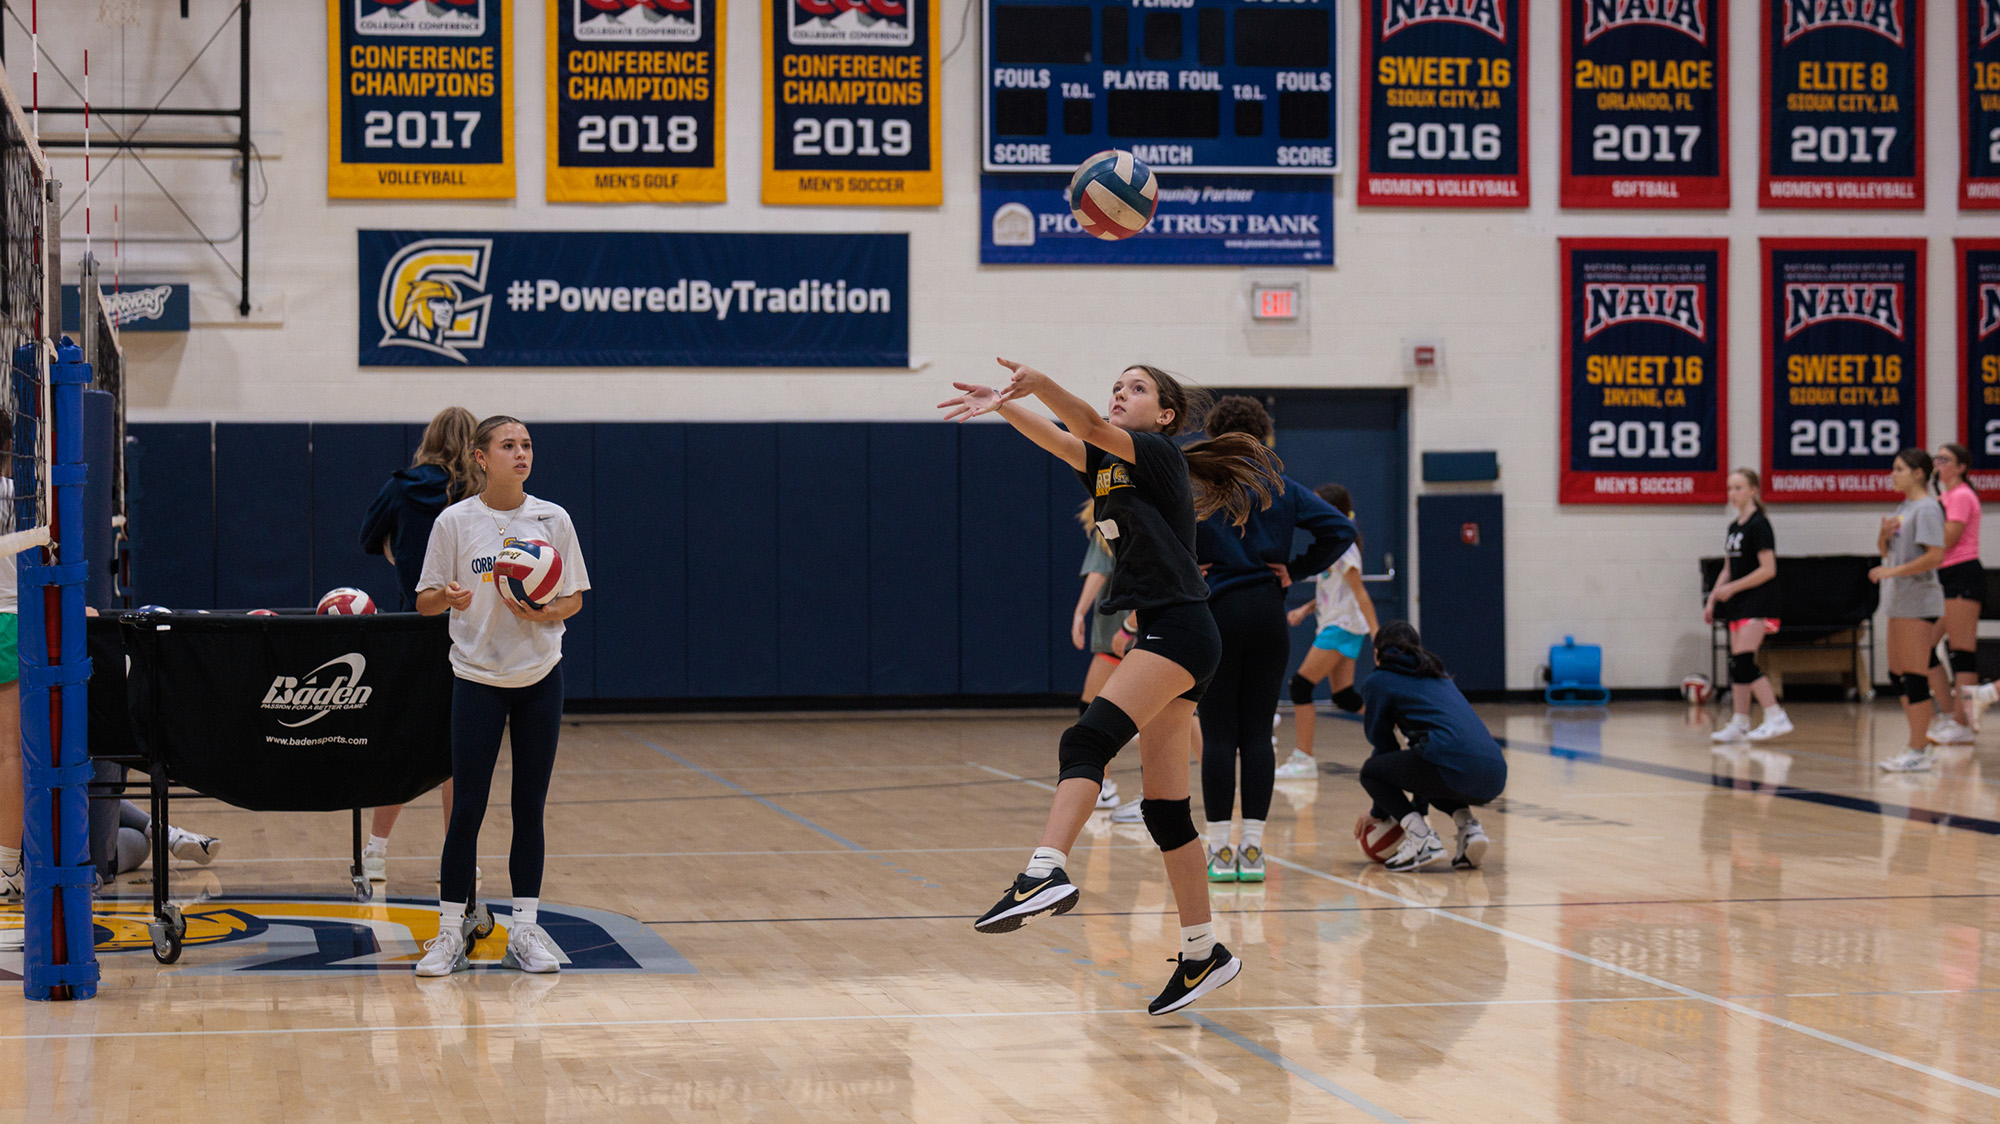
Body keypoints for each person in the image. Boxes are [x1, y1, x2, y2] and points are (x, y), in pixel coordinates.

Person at [939, 358, 1281, 1015]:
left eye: (1137, 387)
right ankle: (1203, 951)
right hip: (1174, 631)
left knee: (1087, 737)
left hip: (1180, 631)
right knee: (1163, 810)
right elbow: (1065, 439)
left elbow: (1086, 423)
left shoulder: (1155, 454)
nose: (1120, 394)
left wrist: (1039, 384)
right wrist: (1004, 405)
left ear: (1166, 415)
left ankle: (1042, 871)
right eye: (1117, 385)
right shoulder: (1113, 469)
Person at [413, 416, 591, 976]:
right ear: (481, 457)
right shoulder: (455, 521)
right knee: (466, 808)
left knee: (528, 808)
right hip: (476, 678)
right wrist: (449, 596)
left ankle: (527, 930)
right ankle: (448, 933)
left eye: (527, 445)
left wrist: (544, 610)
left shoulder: (552, 518)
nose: (521, 453)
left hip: (540, 675)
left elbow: (574, 600)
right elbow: (423, 601)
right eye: (509, 445)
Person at [1193, 398, 1353, 884]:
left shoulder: (1198, 485)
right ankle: (1255, 851)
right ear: (1265, 437)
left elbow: (1160, 533)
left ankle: (1220, 851)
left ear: (1216, 434)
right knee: (1257, 734)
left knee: (1219, 735)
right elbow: (1340, 529)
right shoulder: (1281, 488)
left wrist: (1190, 564)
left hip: (1216, 611)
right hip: (1266, 612)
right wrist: (1295, 570)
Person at [356, 405, 480, 881]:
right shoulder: (481, 495)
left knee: (402, 740)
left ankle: (375, 851)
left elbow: (369, 536)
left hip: (415, 624)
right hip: (469, 628)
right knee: (459, 749)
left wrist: (400, 552)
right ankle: (460, 856)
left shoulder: (403, 485)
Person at [1357, 622, 1506, 872]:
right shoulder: (1438, 673)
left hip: (1450, 764)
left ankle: (1421, 838)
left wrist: (1380, 811)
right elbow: (1426, 758)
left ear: (1376, 653)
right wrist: (1418, 807)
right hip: (1495, 774)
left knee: (1371, 771)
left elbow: (1384, 746)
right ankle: (1470, 828)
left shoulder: (1379, 681)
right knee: (1438, 769)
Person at [1279, 483, 1378, 779]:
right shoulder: (1333, 544)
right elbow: (1334, 590)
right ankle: (1402, 726)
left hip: (1343, 626)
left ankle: (1303, 759)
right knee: (1345, 697)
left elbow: (1359, 592)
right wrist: (1306, 609)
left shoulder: (1345, 547)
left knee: (1300, 686)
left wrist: (1378, 636)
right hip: (1338, 624)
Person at [1873, 449, 1948, 773]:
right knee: (1896, 674)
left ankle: (1918, 749)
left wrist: (1892, 572)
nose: (1893, 474)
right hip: (1900, 601)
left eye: (1899, 469)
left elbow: (1935, 557)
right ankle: (1920, 740)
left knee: (1915, 674)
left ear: (1919, 473)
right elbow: (1888, 553)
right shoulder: (1905, 507)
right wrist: (1883, 536)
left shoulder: (1928, 509)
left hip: (1919, 600)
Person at [1704, 468, 1789, 743]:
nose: (1733, 494)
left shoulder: (1759, 525)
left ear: (1753, 490)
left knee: (1744, 660)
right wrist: (1714, 596)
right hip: (1739, 604)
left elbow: (1768, 569)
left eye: (1738, 487)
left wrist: (1733, 588)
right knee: (1737, 665)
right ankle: (1740, 722)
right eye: (1729, 488)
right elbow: (1728, 568)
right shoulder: (1734, 528)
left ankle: (1776, 715)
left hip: (1759, 602)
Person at [1923, 443, 1981, 742]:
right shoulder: (1942, 497)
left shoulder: (1960, 495)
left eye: (1945, 459)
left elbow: (1950, 537)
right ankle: (1950, 715)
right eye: (1937, 459)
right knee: (1924, 648)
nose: (1939, 464)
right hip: (1943, 577)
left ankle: (1963, 723)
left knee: (1961, 652)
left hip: (1962, 575)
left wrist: (1919, 540)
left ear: (1961, 467)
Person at [1071, 502, 1125, 812]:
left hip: (1120, 629)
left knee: (1092, 708)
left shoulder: (1111, 519)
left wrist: (1079, 613)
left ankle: (1103, 786)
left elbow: (1098, 571)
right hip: (1129, 625)